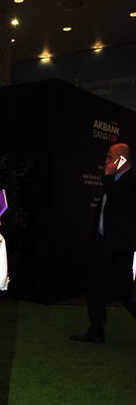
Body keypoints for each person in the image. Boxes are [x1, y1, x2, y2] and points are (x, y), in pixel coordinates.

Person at [71, 143, 136, 343]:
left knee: (124, 291)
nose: (106, 161)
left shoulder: (131, 180)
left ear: (122, 159)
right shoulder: (113, 181)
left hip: (120, 247)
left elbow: (121, 203)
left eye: (110, 157)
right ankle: (95, 331)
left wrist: (108, 178)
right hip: (103, 244)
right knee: (95, 287)